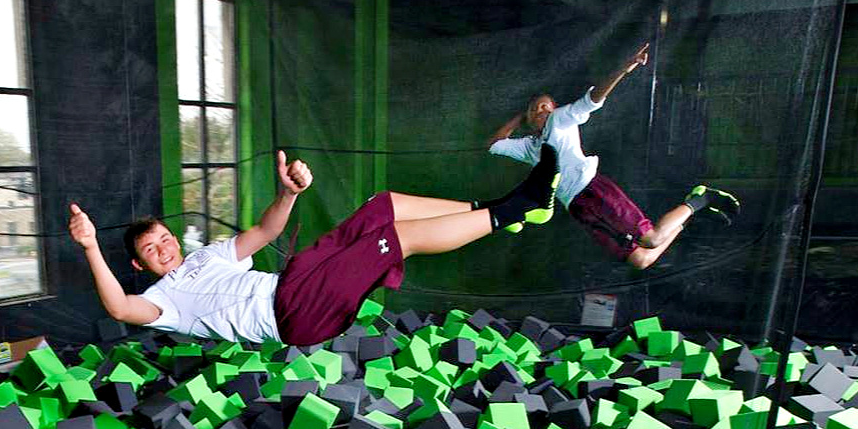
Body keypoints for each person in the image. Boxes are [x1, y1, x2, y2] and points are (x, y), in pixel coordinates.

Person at [66, 145, 559, 346]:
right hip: (292, 314)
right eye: (150, 249)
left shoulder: (209, 255)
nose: (163, 248)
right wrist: (90, 246)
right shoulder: (161, 302)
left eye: (164, 238)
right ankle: (519, 209)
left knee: (382, 205)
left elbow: (266, 233)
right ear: (140, 264)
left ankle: (497, 209)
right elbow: (119, 308)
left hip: (296, 281)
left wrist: (288, 193)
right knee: (398, 239)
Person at [489, 42, 739, 270]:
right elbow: (494, 144)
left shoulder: (559, 121)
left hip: (594, 190)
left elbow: (593, 99)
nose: (540, 110)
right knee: (641, 260)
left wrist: (623, 69)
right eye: (535, 109)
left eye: (545, 106)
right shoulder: (529, 147)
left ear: (555, 109)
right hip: (577, 207)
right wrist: (521, 116)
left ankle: (703, 197)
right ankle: (687, 216)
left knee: (651, 239)